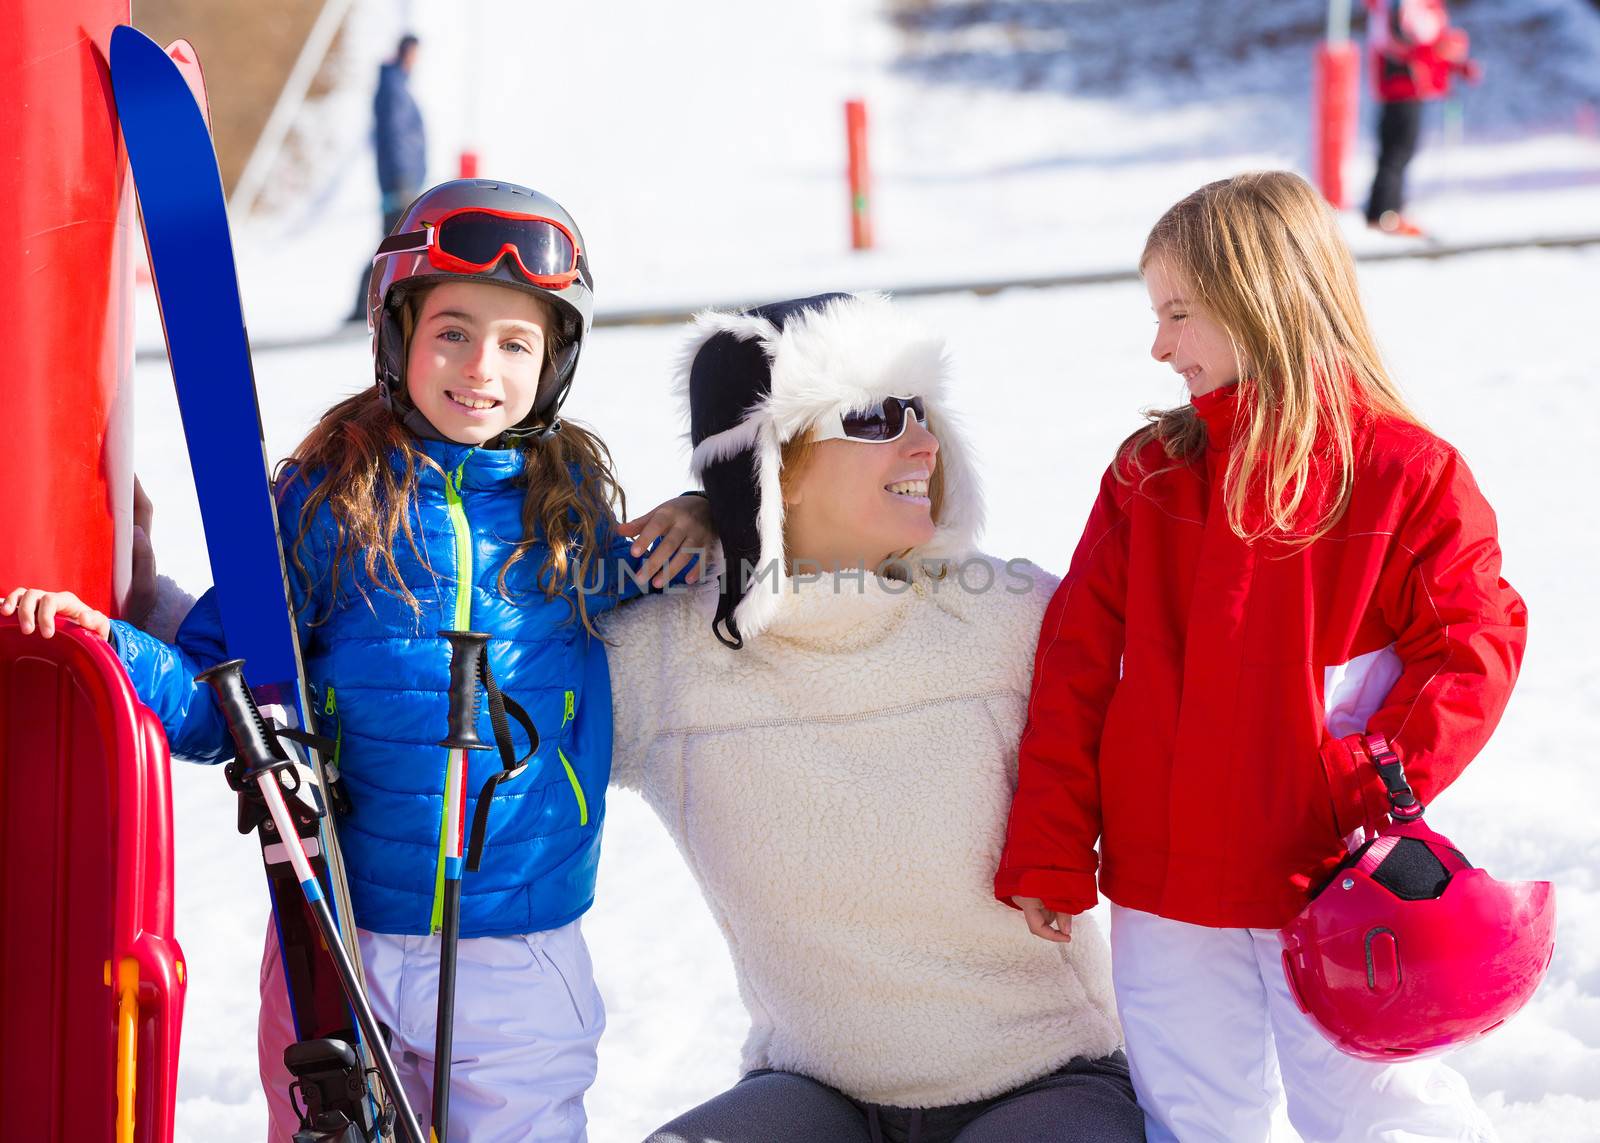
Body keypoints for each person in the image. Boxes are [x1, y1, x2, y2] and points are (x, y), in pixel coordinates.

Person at [4, 179, 714, 1142]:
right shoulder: (327, 502)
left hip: (521, 948)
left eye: (517, 343)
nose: (482, 367)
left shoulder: (569, 513)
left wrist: (713, 512)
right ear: (397, 333)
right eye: (453, 331)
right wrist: (107, 640)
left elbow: (714, 563)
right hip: (340, 937)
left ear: (554, 365)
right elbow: (226, 700)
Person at [996, 171, 1523, 1142]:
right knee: (1193, 1121)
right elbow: (1075, 670)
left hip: (1333, 883)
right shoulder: (1147, 475)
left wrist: (1363, 779)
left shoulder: (1404, 471)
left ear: (1258, 301)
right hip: (1165, 894)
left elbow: (1472, 643)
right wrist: (1051, 843)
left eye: (1178, 314)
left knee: (1378, 1116)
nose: (1157, 346)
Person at [602, 293, 1144, 1143]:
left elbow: (1202, 691)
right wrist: (684, 528)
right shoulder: (667, 658)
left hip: (1047, 1080)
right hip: (817, 1093)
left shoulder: (1010, 618)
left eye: (921, 413)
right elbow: (490, 700)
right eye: (874, 418)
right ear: (772, 460)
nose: (922, 443)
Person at [1364, 0, 1481, 237]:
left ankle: (1391, 209)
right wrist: (1440, 48)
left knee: (1402, 151)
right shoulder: (1398, 5)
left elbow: (1430, 45)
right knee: (1396, 151)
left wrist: (1456, 64)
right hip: (1400, 86)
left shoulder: (1427, 6)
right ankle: (1383, 212)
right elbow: (1397, 42)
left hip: (1415, 87)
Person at [348, 33, 428, 321]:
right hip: (399, 183)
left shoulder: (396, 85)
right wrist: (402, 180)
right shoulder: (393, 88)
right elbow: (395, 137)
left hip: (402, 181)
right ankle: (364, 305)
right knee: (395, 244)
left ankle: (368, 304)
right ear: (404, 53)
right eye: (413, 54)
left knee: (396, 243)